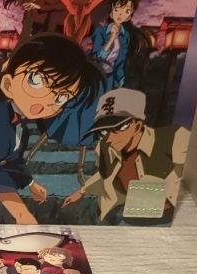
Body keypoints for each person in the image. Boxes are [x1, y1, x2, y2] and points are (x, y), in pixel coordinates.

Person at [0, 34, 102, 225]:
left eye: (61, 97)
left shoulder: (21, 129)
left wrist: (31, 183)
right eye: (36, 81)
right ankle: (31, 232)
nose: (46, 101)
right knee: (22, 214)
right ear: (8, 84)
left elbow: (13, 163)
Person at [63, 87, 189, 224]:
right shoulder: (105, 147)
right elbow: (105, 175)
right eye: (104, 132)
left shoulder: (173, 139)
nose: (109, 138)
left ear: (137, 125)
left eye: (118, 128)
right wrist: (82, 191)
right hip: (117, 212)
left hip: (163, 219)